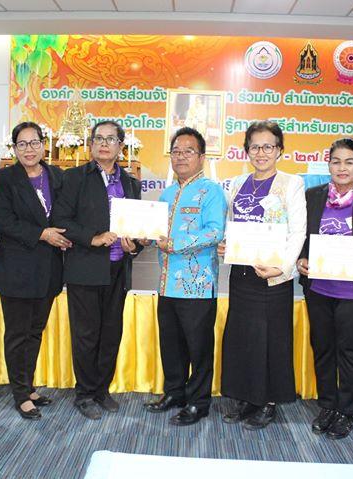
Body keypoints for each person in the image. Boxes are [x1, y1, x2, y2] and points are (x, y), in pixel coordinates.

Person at [296, 137, 353, 439]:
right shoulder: (312, 197)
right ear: (328, 164)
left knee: (349, 351)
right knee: (323, 348)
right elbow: (300, 237)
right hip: (319, 288)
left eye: (349, 162)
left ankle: (347, 411)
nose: (342, 167)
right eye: (336, 161)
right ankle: (327, 405)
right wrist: (301, 259)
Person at [218, 121, 306, 430]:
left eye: (268, 146)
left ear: (280, 150)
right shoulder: (236, 183)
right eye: (255, 146)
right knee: (243, 337)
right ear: (246, 151)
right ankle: (247, 397)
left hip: (273, 276)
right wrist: (225, 244)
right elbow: (231, 224)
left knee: (272, 340)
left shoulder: (291, 183)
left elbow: (298, 231)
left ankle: (268, 401)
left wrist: (282, 266)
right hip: (242, 274)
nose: (261, 152)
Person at [52, 120, 142, 420]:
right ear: (90, 144)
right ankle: (85, 393)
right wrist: (93, 238)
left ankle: (102, 389)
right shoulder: (74, 177)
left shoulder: (131, 183)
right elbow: (60, 219)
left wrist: (135, 246)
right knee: (86, 334)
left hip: (118, 269)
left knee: (110, 333)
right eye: (99, 138)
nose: (104, 144)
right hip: (86, 267)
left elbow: (138, 229)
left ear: (121, 146)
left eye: (111, 139)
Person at [143, 127, 227, 426]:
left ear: (202, 157)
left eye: (188, 151)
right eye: (176, 151)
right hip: (167, 284)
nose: (180, 157)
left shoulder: (211, 192)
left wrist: (176, 244)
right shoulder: (167, 193)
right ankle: (174, 393)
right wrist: (142, 236)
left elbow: (215, 232)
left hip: (197, 286)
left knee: (198, 348)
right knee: (172, 344)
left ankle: (198, 402)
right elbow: (156, 232)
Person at [0, 122, 68, 420]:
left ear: (44, 145)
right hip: (17, 270)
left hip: (49, 269)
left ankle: (29, 386)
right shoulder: (4, 178)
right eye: (22, 144)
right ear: (14, 149)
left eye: (34, 142)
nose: (29, 149)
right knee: (17, 334)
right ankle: (20, 394)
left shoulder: (57, 176)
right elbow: (3, 220)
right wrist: (42, 234)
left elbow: (66, 214)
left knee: (35, 332)